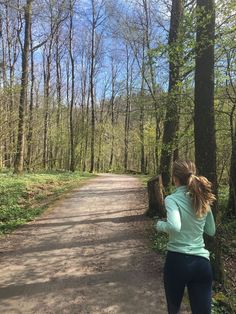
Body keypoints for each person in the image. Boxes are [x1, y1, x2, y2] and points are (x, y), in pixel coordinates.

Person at [156, 160, 216, 314]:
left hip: (177, 262)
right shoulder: (202, 198)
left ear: (175, 178)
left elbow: (175, 227)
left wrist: (160, 225)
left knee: (174, 309)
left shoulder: (172, 199)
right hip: (202, 263)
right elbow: (211, 230)